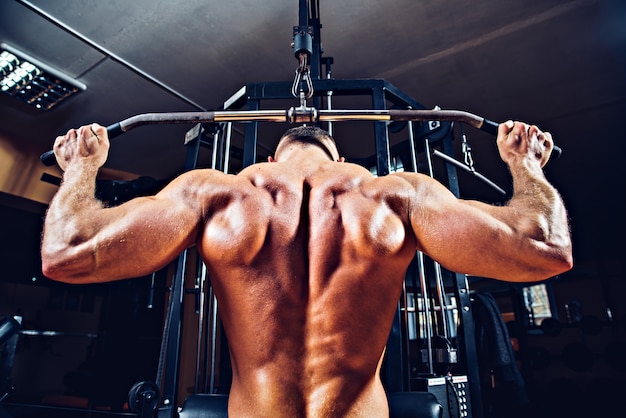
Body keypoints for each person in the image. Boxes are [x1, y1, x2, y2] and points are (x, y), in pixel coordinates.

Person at [41, 120, 572, 417]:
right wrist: (524, 164)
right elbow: (546, 249)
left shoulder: (217, 195)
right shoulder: (396, 197)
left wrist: (81, 167)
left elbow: (65, 253)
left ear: (275, 155)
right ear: (336, 154)